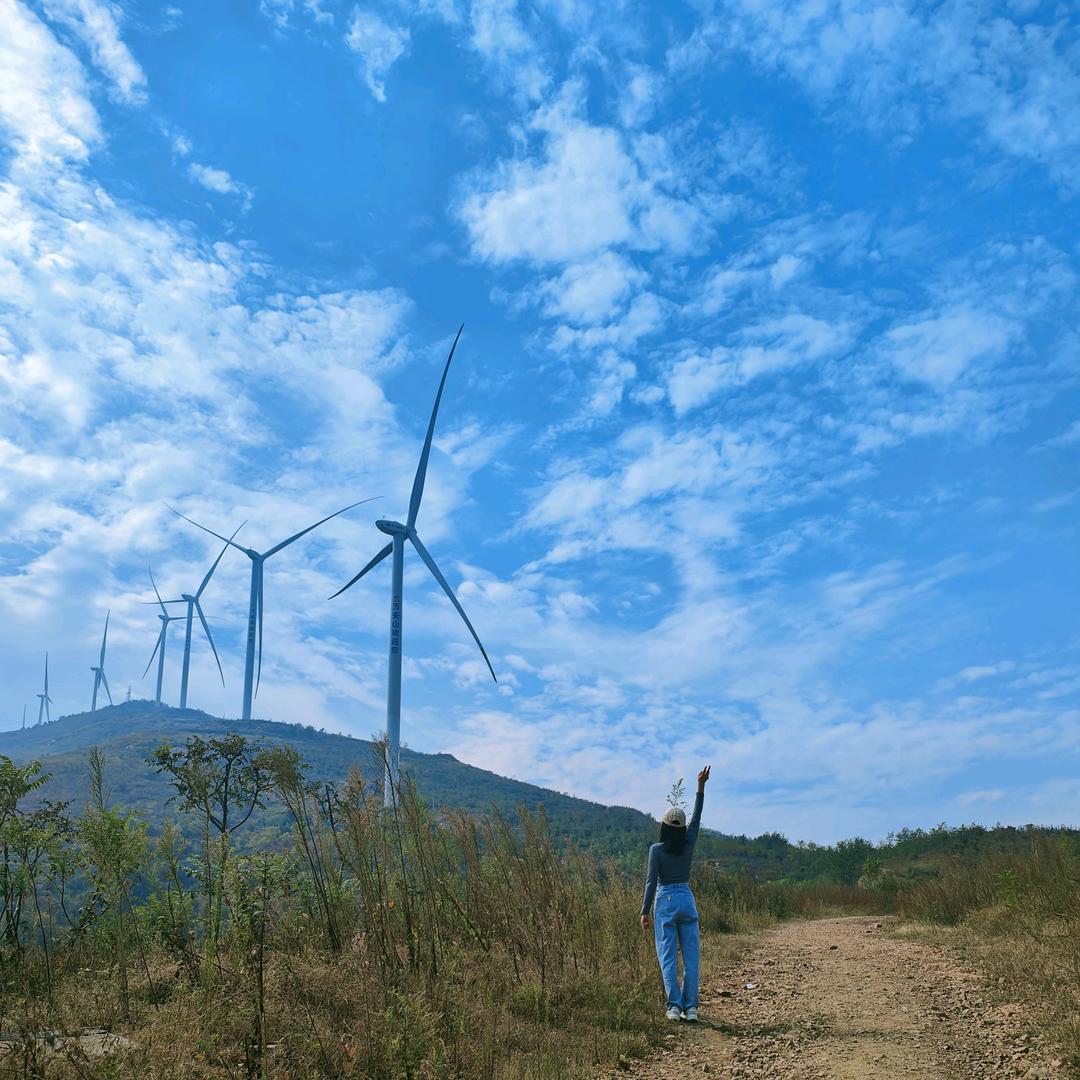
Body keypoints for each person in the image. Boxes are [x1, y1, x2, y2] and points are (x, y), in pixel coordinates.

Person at [640, 765, 710, 1022]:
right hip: (687, 899)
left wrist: (644, 912)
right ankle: (691, 1008)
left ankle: (674, 1007)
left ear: (665, 827)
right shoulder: (688, 844)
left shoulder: (656, 850)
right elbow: (696, 818)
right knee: (692, 957)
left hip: (665, 900)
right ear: (681, 830)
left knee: (667, 956)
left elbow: (650, 882)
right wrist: (700, 788)